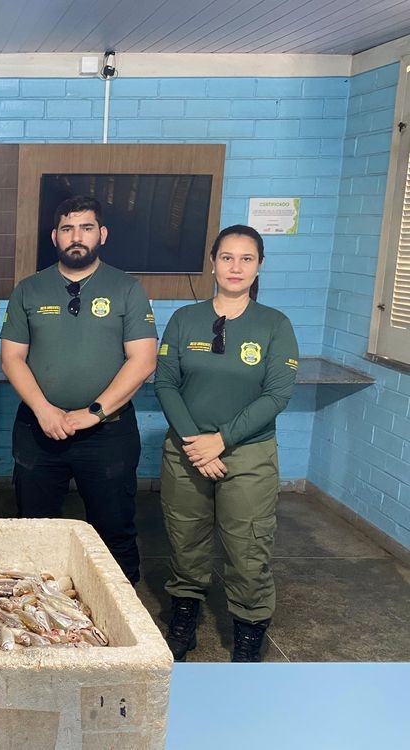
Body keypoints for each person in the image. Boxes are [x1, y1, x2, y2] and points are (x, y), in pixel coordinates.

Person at [154, 224, 298, 662]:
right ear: (213, 263)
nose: (236, 267)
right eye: (228, 257)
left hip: (247, 453)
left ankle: (250, 627)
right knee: (185, 539)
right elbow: (165, 383)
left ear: (259, 267)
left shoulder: (275, 325)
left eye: (247, 259)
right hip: (187, 450)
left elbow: (277, 394)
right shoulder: (184, 320)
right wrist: (196, 443)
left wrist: (222, 439)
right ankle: (184, 615)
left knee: (247, 546)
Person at [0, 196, 157, 584]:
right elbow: (12, 358)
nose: (77, 237)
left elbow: (143, 360)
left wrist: (95, 412)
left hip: (108, 433)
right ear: (55, 236)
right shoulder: (30, 289)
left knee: (114, 532)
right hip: (40, 429)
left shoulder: (127, 289)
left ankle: (122, 627)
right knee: (35, 531)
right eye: (68, 229)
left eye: (86, 228)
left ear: (101, 234)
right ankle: (41, 622)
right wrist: (44, 410)